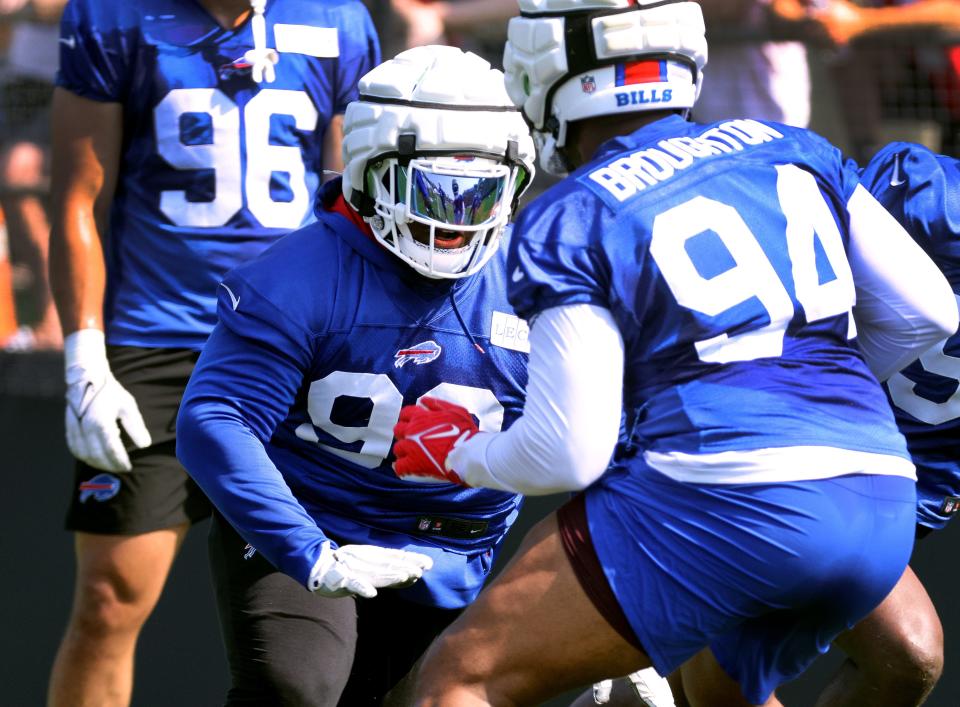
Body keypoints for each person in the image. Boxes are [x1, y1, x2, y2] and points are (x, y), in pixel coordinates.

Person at [388, 1, 960, 706]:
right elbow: (929, 313)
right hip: (877, 496)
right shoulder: (788, 143)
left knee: (456, 680)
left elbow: (569, 454)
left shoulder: (570, 212)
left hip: (718, 493)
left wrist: (460, 452)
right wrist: (812, 391)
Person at [176, 44, 536, 706]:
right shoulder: (299, 279)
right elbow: (214, 420)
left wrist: (627, 619)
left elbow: (617, 443)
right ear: (371, 171)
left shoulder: (542, 278)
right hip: (315, 520)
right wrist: (308, 549)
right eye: (434, 189)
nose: (454, 221)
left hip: (459, 549)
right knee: (297, 687)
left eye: (479, 191)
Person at [46, 1, 380, 705]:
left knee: (319, 617)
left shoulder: (336, 19)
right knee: (109, 597)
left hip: (291, 346)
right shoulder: (112, 15)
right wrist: (84, 357)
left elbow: (356, 203)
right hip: (157, 339)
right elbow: (79, 196)